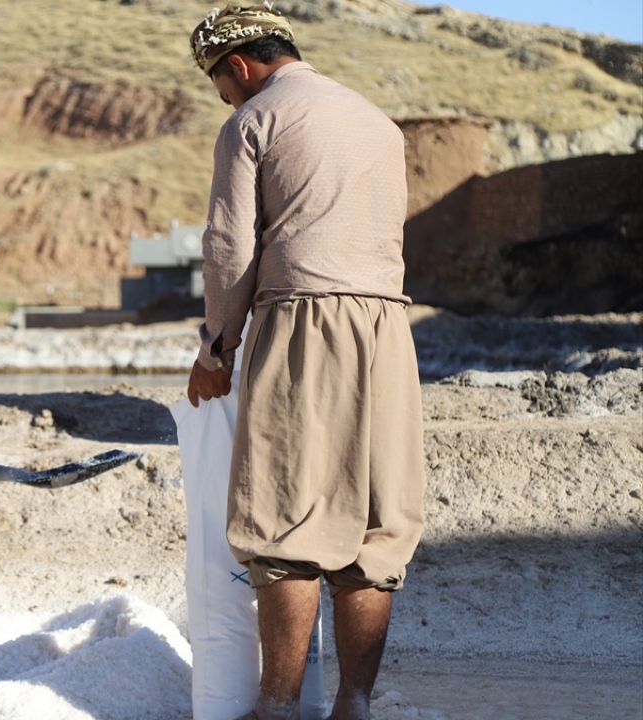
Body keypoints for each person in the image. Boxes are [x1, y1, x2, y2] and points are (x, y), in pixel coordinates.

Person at [184, 6, 426, 720]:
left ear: (241, 67)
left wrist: (215, 348)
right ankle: (354, 704)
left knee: (284, 517)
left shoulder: (254, 121)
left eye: (221, 86)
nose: (224, 99)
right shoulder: (377, 121)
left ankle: (278, 706)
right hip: (388, 327)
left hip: (302, 321)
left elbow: (228, 249)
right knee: (376, 528)